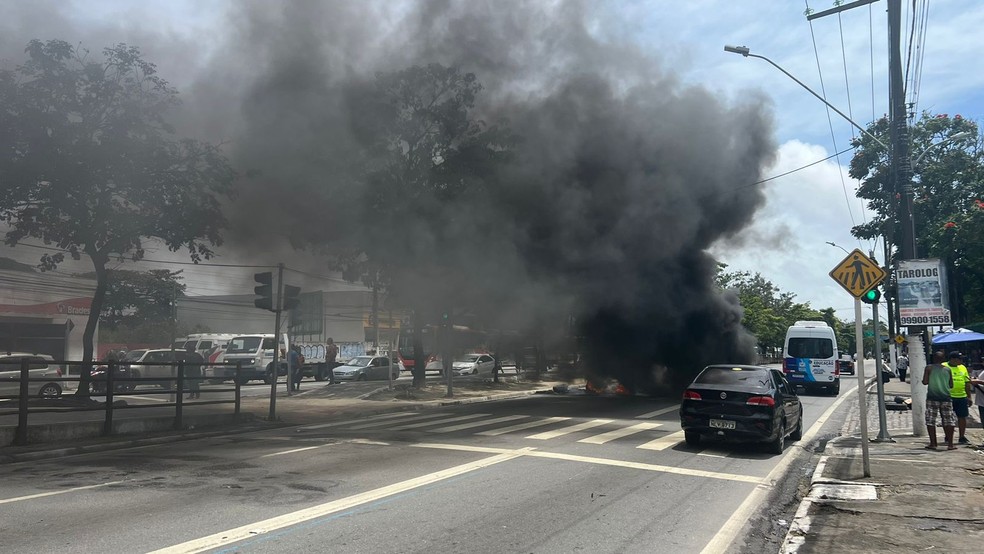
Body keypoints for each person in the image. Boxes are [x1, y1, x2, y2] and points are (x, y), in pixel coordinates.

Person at [922, 351, 956, 451]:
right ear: (943, 359)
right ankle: (950, 444)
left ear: (933, 359)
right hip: (946, 398)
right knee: (949, 420)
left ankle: (933, 443)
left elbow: (925, 382)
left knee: (930, 420)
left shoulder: (929, 368)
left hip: (932, 398)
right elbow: (951, 385)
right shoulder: (948, 369)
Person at [944, 351, 974, 445]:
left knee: (962, 417)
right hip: (948, 396)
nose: (961, 361)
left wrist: (969, 396)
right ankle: (948, 436)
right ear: (953, 359)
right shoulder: (944, 366)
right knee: (947, 418)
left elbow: (967, 383)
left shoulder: (962, 367)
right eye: (959, 359)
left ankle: (962, 436)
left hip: (961, 396)